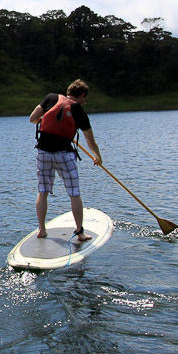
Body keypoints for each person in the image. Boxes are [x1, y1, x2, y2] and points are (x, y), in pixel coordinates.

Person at [28, 79, 103, 242]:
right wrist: (98, 157)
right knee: (74, 193)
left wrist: (47, 122)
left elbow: (33, 118)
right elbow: (90, 140)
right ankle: (80, 232)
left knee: (43, 192)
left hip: (43, 152)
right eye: (85, 99)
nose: (85, 102)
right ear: (82, 96)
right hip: (64, 155)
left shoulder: (50, 98)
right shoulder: (79, 111)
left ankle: (41, 230)